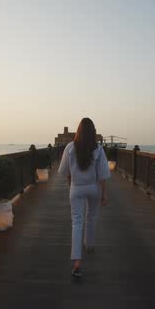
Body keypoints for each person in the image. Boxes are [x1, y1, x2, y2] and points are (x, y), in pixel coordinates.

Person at [58, 118, 111, 278]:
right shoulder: (98, 149)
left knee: (77, 222)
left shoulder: (70, 147)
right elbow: (102, 175)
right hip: (93, 187)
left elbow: (66, 172)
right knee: (92, 216)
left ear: (79, 131)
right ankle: (90, 244)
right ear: (93, 132)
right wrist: (104, 193)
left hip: (77, 188)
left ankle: (77, 262)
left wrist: (71, 187)